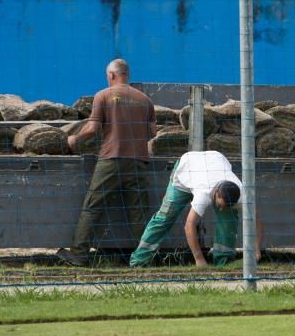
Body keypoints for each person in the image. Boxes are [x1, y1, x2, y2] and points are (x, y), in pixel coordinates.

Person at [57, 59, 157, 267]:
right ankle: (145, 257)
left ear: (111, 75)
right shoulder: (145, 100)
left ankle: (79, 254)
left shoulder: (103, 95)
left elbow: (93, 128)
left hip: (111, 159)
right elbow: (152, 133)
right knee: (138, 211)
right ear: (127, 75)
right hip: (138, 161)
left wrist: (74, 139)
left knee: (92, 207)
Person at [129, 150, 261, 268]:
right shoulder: (204, 193)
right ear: (215, 194)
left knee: (228, 220)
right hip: (185, 170)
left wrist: (257, 251)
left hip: (215, 159)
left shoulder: (241, 194)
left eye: (226, 206)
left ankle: (223, 262)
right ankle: (139, 261)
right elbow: (189, 225)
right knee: (165, 217)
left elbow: (257, 220)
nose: (220, 209)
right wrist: (199, 259)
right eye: (219, 205)